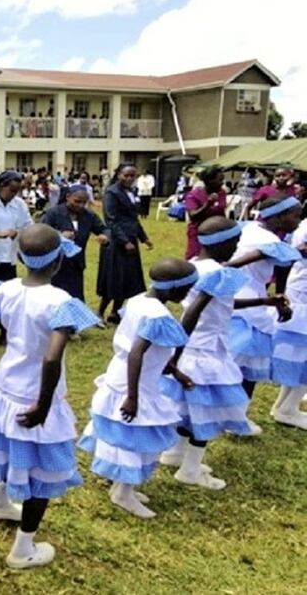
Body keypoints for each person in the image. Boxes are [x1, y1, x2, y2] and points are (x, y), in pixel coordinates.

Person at [0, 224, 99, 569]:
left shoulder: (3, 290)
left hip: (6, 388)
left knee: (12, 449)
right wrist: (46, 404)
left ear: (20, 257)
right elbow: (51, 358)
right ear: (59, 263)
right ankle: (23, 549)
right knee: (40, 474)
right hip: (35, 397)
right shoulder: (61, 302)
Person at [79, 258, 197, 518]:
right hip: (135, 382)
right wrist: (133, 397)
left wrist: (175, 372)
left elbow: (148, 348)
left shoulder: (138, 300)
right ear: (172, 288)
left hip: (121, 375)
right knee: (135, 438)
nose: (187, 294)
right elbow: (137, 352)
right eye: (185, 289)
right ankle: (123, 491)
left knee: (124, 434)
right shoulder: (157, 315)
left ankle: (122, 484)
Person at [160, 218, 263, 488]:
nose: (236, 249)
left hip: (195, 346)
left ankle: (176, 452)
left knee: (189, 405)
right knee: (208, 410)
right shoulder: (219, 273)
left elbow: (223, 304)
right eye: (234, 244)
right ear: (223, 244)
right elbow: (194, 313)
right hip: (205, 349)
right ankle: (191, 468)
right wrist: (177, 351)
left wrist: (263, 300)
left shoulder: (195, 264)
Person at [227, 195, 301, 435]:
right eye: (295, 215)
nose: (298, 221)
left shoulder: (250, 228)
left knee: (239, 364)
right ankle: (236, 418)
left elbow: (282, 266)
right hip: (250, 303)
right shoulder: (268, 240)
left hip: (239, 296)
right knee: (246, 366)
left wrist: (280, 296)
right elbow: (276, 259)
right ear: (279, 217)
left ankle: (233, 415)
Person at [97, 164, 153, 324]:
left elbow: (133, 218)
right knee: (113, 278)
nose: (129, 179)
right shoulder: (111, 193)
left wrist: (143, 238)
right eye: (126, 175)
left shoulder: (132, 192)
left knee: (128, 278)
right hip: (116, 242)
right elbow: (111, 219)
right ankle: (100, 312)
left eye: (132, 176)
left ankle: (115, 312)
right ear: (119, 175)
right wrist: (125, 241)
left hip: (131, 239)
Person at [40, 185, 109, 301]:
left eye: (84, 202)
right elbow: (41, 233)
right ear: (68, 197)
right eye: (77, 201)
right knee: (55, 299)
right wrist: (59, 235)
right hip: (55, 265)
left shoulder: (88, 215)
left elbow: (104, 229)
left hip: (76, 265)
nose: (80, 205)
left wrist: (104, 236)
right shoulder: (53, 213)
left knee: (75, 298)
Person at [270, 213, 307, 430]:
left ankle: (285, 405)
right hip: (302, 294)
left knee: (300, 355)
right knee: (301, 354)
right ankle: (288, 407)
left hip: (300, 292)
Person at [183, 166, 227, 259]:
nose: (222, 183)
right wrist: (208, 204)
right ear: (209, 181)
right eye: (220, 180)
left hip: (216, 232)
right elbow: (193, 215)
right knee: (196, 259)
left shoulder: (221, 193)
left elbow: (221, 212)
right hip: (199, 233)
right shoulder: (193, 195)